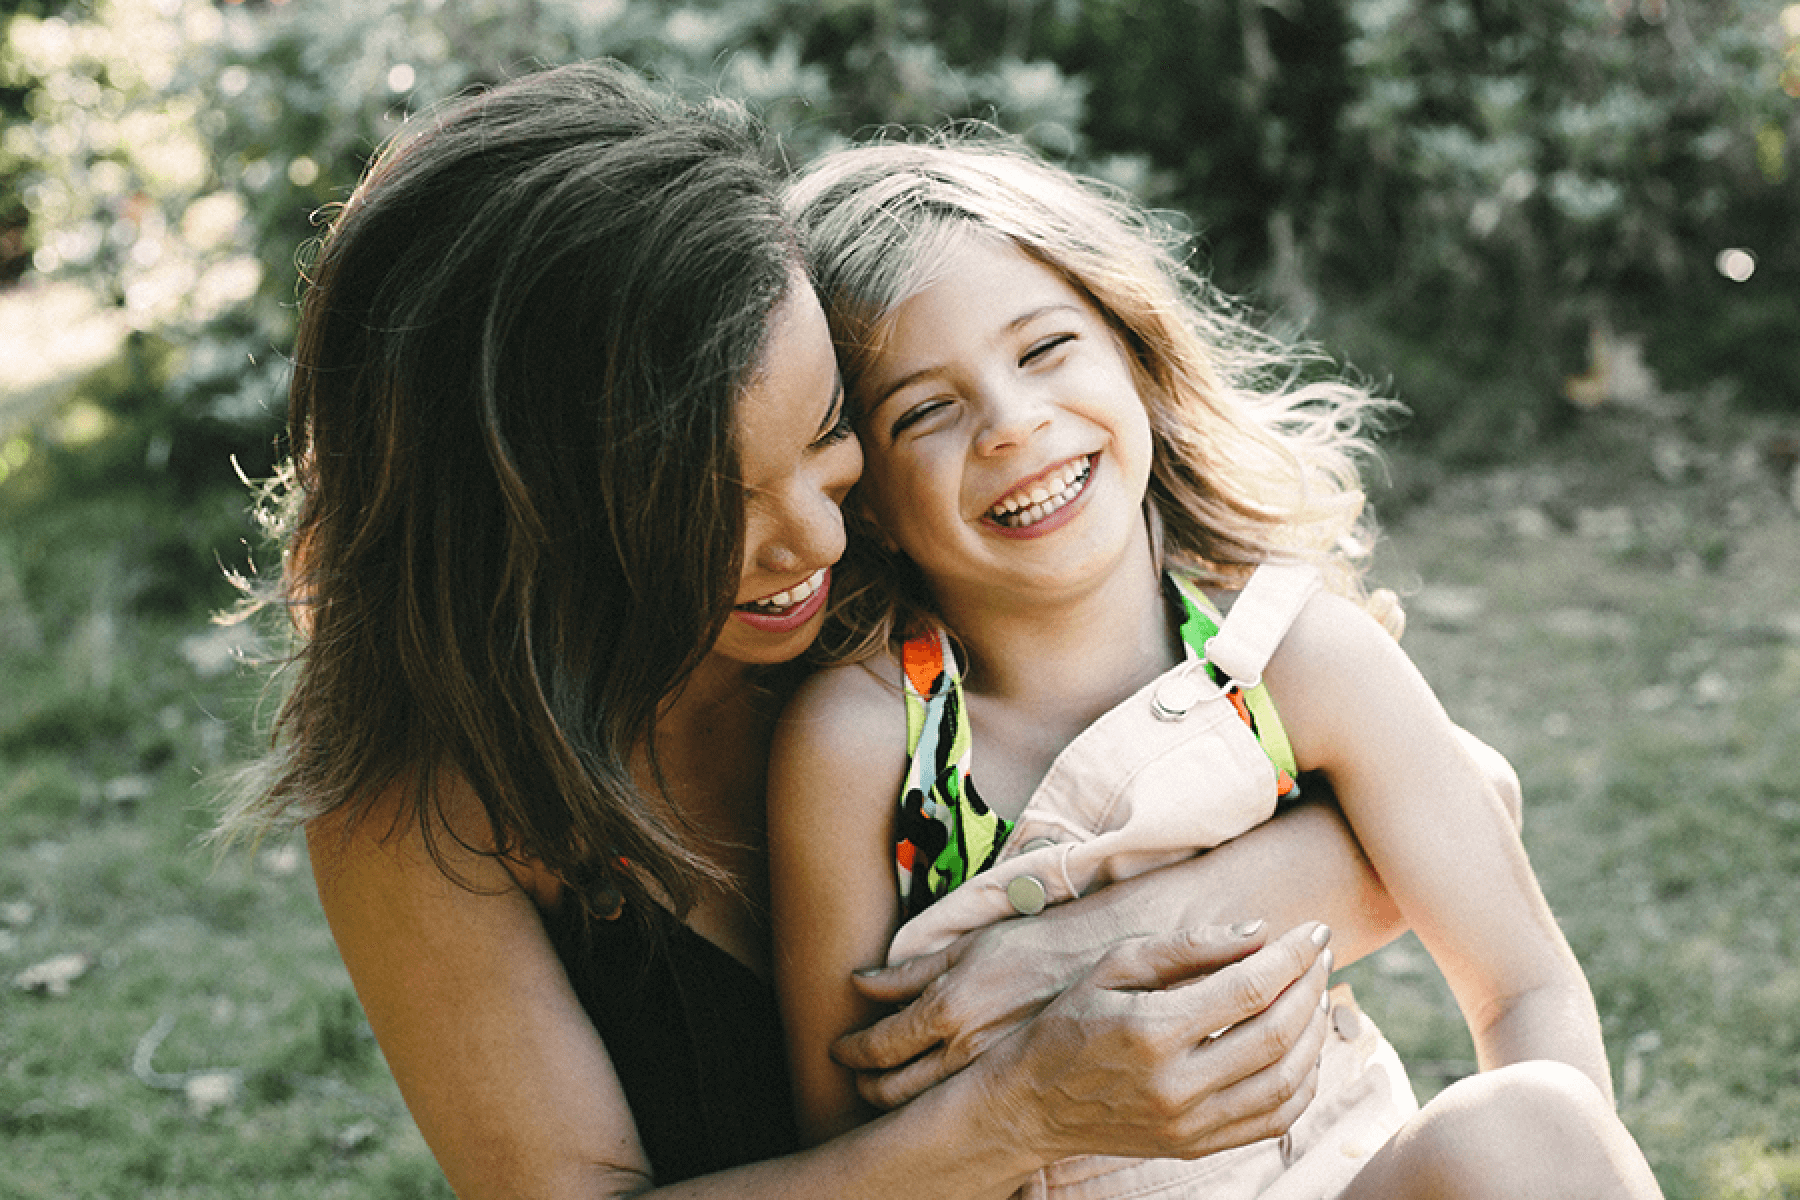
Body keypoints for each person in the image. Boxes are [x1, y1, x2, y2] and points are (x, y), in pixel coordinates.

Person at [216, 60, 1427, 1200]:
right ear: (522, 518)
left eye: (825, 432)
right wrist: (1015, 1111)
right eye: (712, 502)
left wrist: (1068, 952)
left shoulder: (920, 563)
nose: (816, 541)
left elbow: (1455, 804)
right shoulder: (423, 814)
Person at [769, 138, 1665, 1199]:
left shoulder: (1296, 661)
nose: (1013, 426)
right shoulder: (864, 746)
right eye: (925, 410)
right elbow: (853, 1152)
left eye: (1044, 349)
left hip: (1332, 1177)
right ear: (863, 494)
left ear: (1132, 351)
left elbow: (1523, 985)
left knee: (1528, 1122)